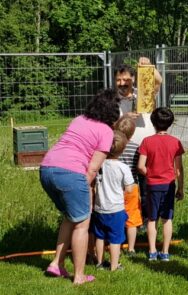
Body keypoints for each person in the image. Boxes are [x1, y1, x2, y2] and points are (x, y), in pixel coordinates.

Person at [40, 89, 120, 284]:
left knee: (70, 217)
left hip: (46, 169)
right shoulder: (107, 131)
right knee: (82, 224)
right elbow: (92, 169)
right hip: (71, 173)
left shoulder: (79, 119)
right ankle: (79, 275)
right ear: (112, 113)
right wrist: (82, 191)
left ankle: (56, 264)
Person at [115, 58, 163, 228]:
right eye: (119, 80)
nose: (122, 83)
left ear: (133, 79)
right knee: (126, 189)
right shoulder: (112, 101)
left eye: (126, 79)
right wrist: (123, 119)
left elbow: (158, 81)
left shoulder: (143, 93)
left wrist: (148, 66)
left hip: (145, 149)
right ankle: (126, 224)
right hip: (124, 152)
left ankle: (146, 224)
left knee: (146, 188)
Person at [138, 107, 184, 261]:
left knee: (152, 219)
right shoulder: (175, 142)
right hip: (169, 184)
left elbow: (140, 166)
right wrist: (181, 188)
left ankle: (152, 251)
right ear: (170, 123)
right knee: (167, 219)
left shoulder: (147, 141)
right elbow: (179, 169)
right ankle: (165, 252)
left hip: (152, 185)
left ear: (153, 123)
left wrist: (150, 174)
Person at [92, 130, 134, 271]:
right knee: (115, 239)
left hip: (99, 208)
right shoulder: (123, 168)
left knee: (99, 236)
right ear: (123, 149)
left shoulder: (99, 165)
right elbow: (129, 189)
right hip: (116, 209)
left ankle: (99, 262)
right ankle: (114, 266)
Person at [114, 115, 143, 257]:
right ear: (133, 132)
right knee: (132, 219)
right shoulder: (136, 147)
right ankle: (131, 248)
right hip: (132, 187)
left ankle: (116, 245)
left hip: (114, 187)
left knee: (116, 216)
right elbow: (138, 168)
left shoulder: (112, 145)